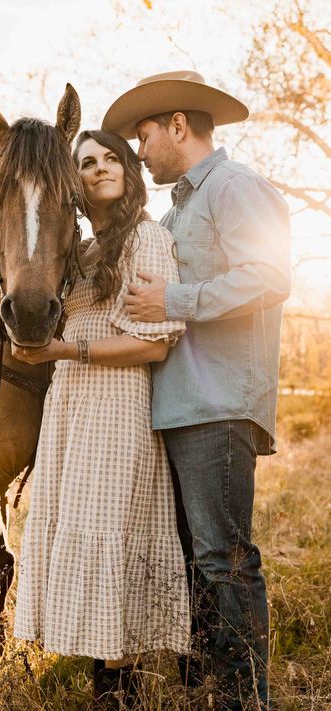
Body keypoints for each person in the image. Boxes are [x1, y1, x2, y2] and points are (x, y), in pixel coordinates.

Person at [102, 71, 291, 710]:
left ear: (178, 125)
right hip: (180, 407)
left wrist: (171, 299)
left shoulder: (235, 188)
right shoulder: (177, 209)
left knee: (224, 557)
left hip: (217, 406)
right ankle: (213, 692)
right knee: (196, 562)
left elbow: (269, 276)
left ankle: (245, 701)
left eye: (144, 135)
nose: (140, 149)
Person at [12, 129, 190, 708]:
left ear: (129, 169)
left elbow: (154, 344)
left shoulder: (146, 238)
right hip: (71, 405)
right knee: (83, 534)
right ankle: (106, 683)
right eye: (86, 163)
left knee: (112, 538)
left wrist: (67, 352)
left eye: (112, 157)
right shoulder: (83, 251)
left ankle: (120, 693)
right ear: (74, 182)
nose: (100, 168)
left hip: (116, 405)